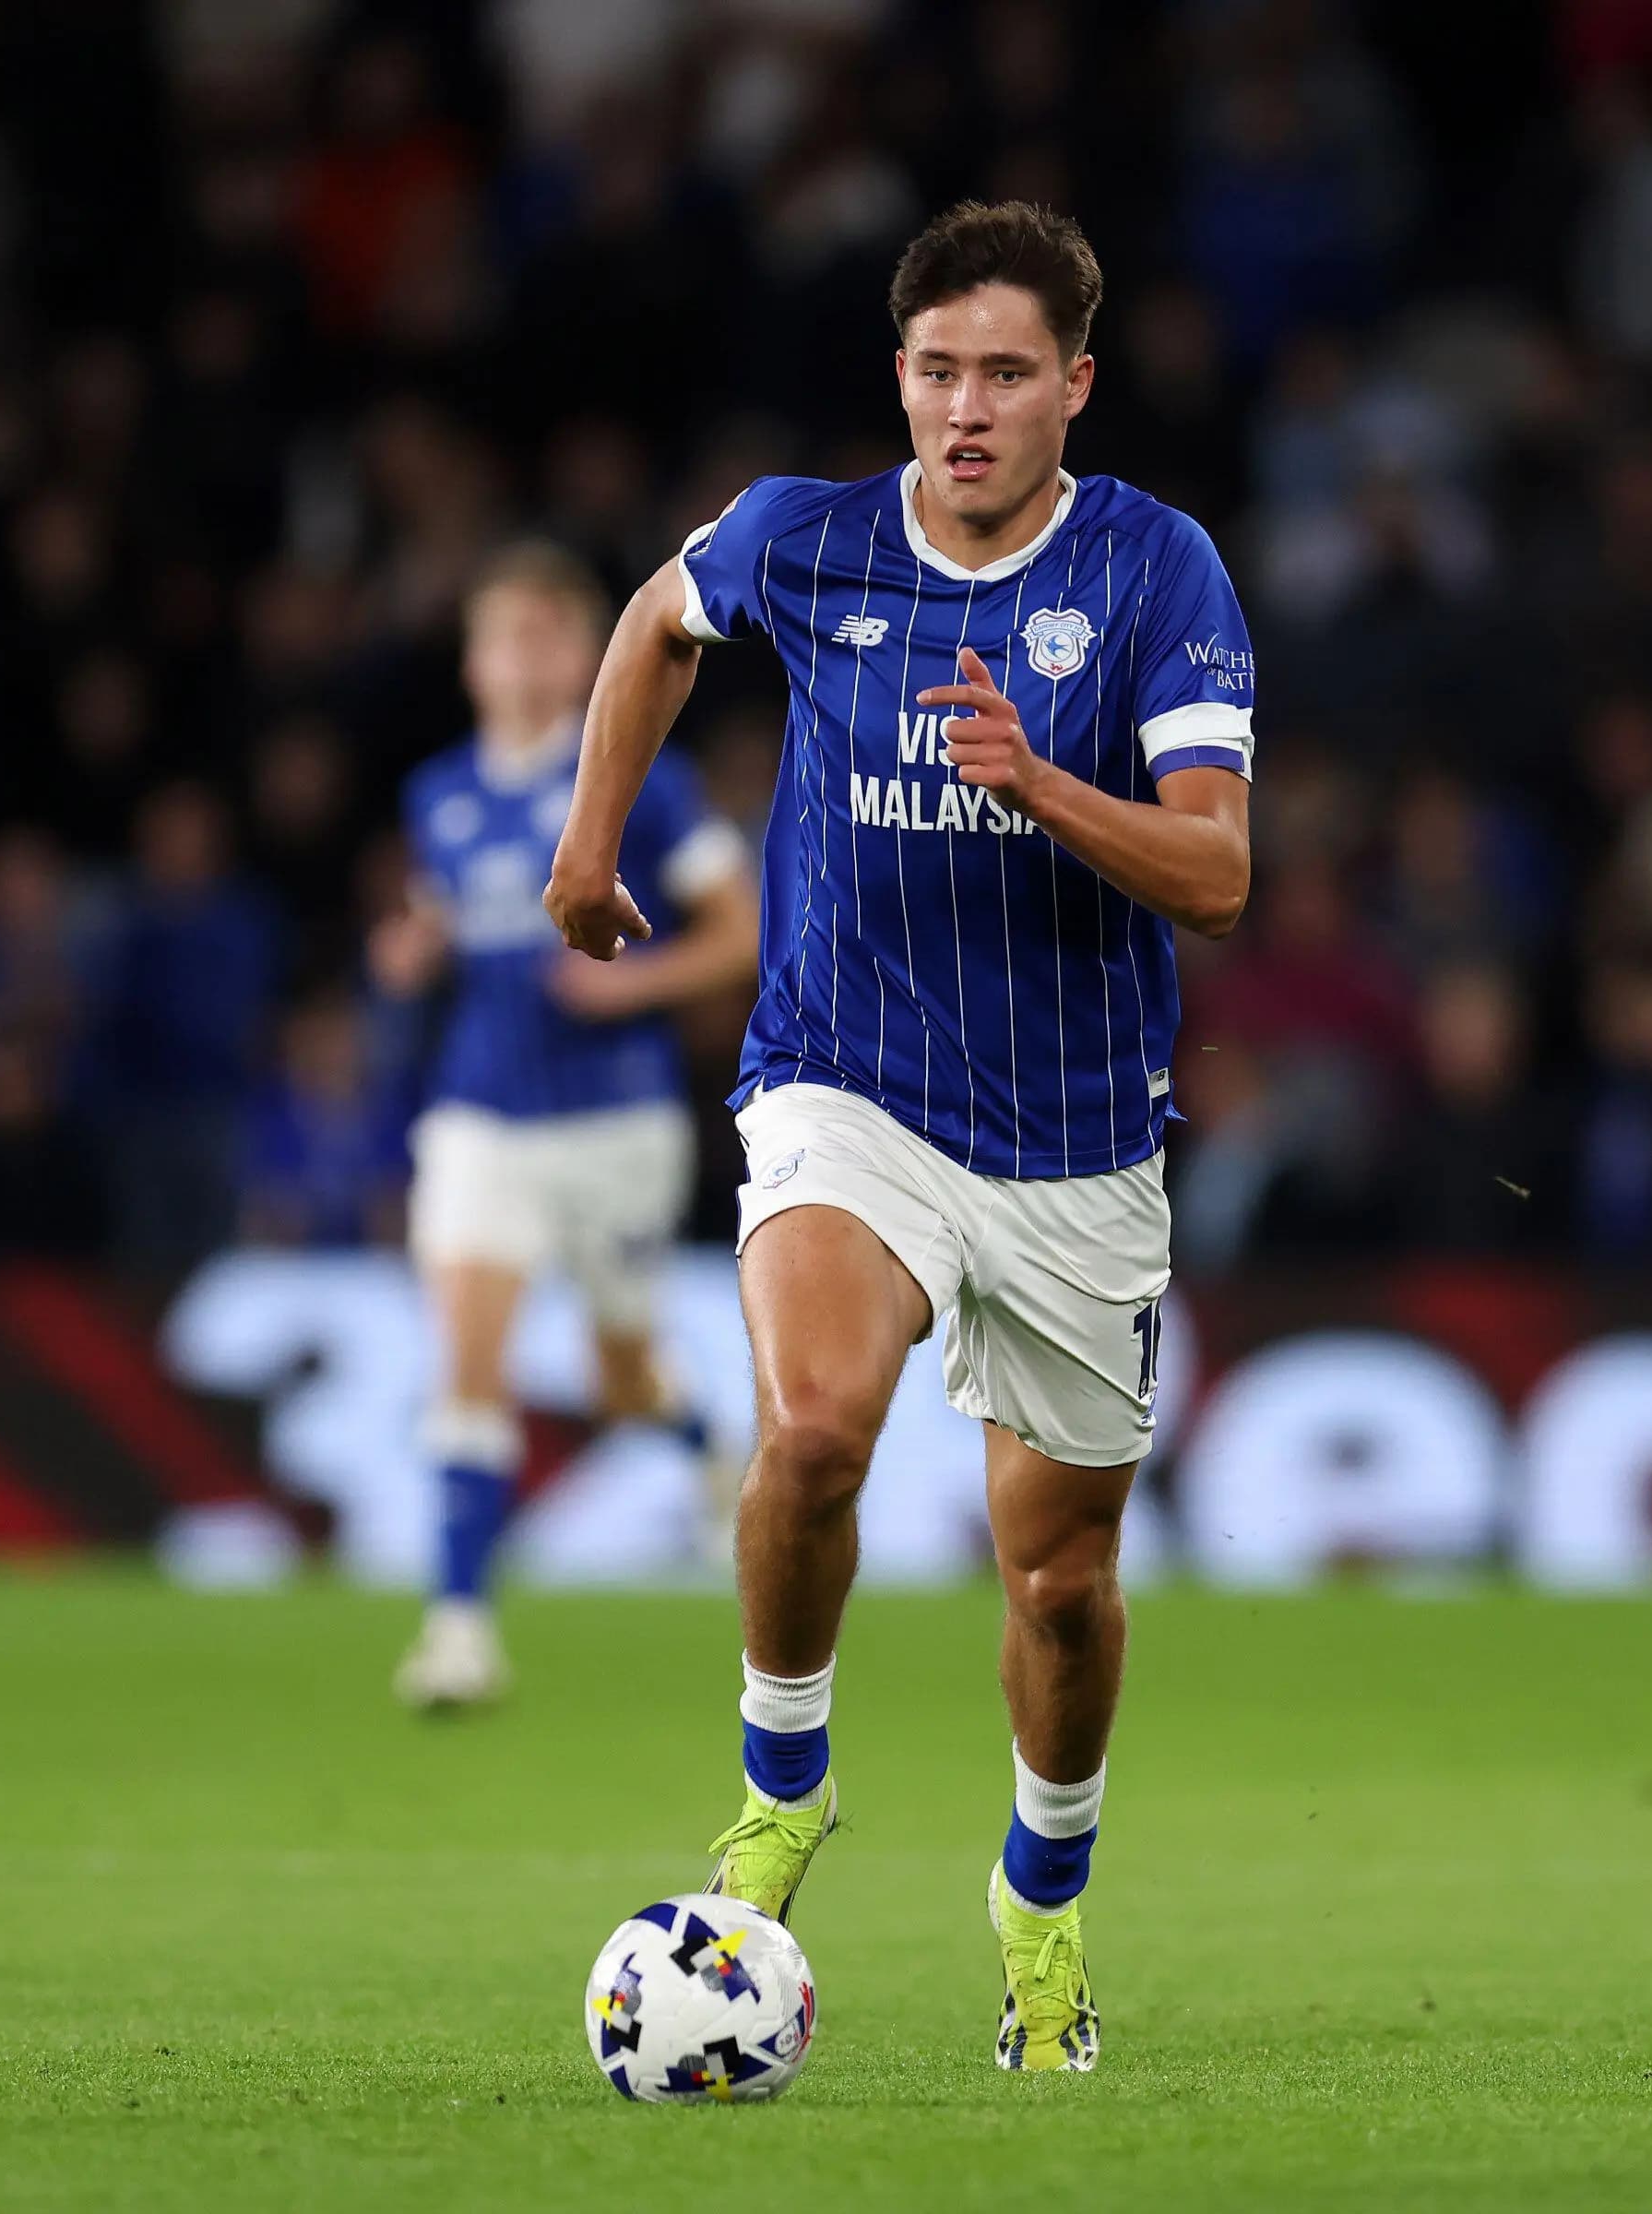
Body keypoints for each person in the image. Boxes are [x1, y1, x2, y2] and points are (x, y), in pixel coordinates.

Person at [541, 202, 1255, 2074]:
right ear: (902, 380)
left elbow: (1219, 870)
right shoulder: (810, 533)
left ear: (1074, 389)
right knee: (813, 1427)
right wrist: (589, 843)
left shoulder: (1159, 572)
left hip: (1080, 1146)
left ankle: (1040, 1908)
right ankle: (784, 1788)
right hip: (841, 1085)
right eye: (938, 369)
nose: (967, 405)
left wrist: (1041, 783)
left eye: (1007, 372)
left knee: (1063, 1587)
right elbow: (652, 622)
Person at [374, 543, 758, 1708]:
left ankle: (702, 1447)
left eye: (549, 635)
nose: (525, 657)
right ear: (473, 662)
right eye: (506, 636)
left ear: (590, 656)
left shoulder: (648, 779)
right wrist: (410, 955)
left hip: (615, 1124)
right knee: (470, 1361)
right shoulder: (437, 794)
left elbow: (741, 931)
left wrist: (628, 986)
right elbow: (440, 920)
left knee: (621, 1372)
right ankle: (457, 1629)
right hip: (479, 1113)